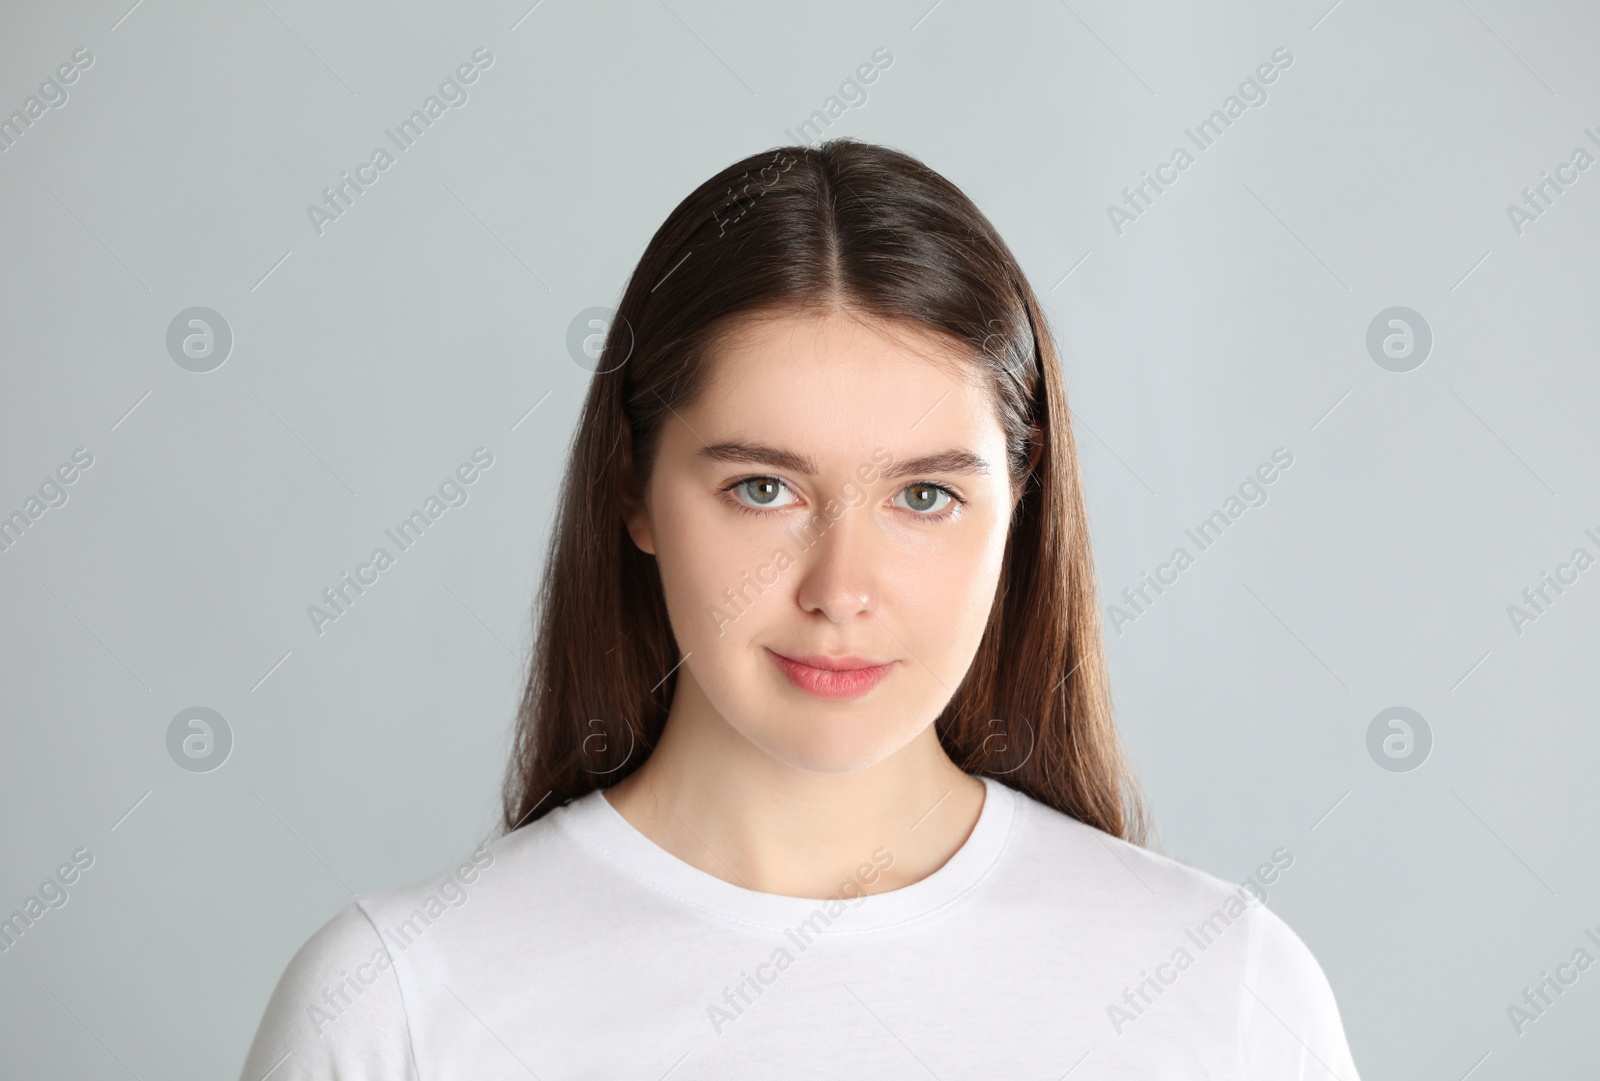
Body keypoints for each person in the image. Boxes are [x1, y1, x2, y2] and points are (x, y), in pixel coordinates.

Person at [237, 138, 1362, 1079]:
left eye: (924, 495)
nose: (839, 590)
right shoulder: (394, 1009)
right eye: (763, 489)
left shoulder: (1226, 994)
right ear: (632, 490)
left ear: (1021, 504)